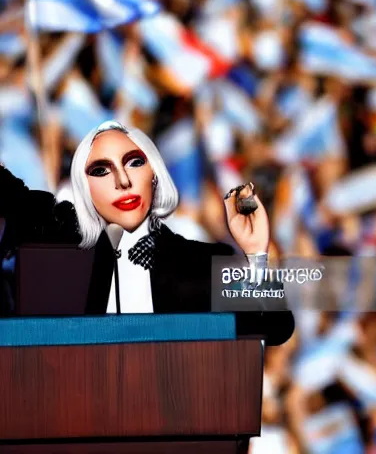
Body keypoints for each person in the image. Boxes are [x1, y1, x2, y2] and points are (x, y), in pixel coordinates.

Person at [0, 120, 294, 345]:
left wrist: (256, 254)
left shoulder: (195, 263)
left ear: (154, 176)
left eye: (134, 162)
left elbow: (276, 325)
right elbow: (10, 194)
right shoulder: (61, 231)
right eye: (101, 170)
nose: (123, 180)